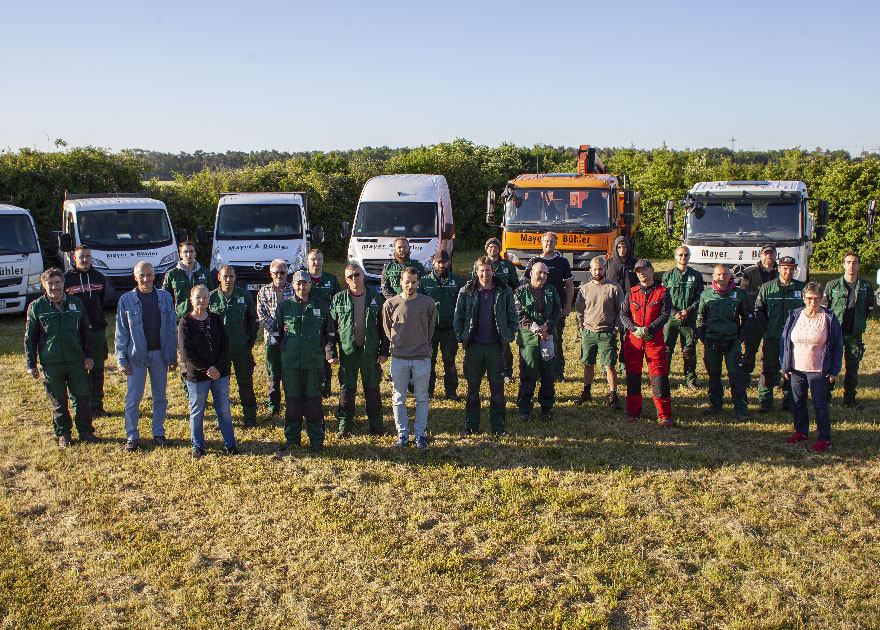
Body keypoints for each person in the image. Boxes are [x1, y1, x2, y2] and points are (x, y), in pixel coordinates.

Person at [25, 268, 97, 447]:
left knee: (82, 398)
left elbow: (86, 332)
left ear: (63, 284)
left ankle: (85, 431)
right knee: (58, 400)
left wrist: (88, 356)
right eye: (50, 283)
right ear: (44, 285)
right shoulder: (36, 307)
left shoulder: (76, 303)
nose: (54, 286)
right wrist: (31, 364)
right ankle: (64, 433)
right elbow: (30, 338)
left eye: (57, 282)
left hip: (76, 360)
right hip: (51, 362)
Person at [115, 261, 178, 452]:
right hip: (136, 357)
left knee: (160, 397)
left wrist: (172, 355)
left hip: (160, 354)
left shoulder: (166, 297)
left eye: (149, 275)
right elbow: (121, 332)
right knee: (134, 399)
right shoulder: (126, 300)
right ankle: (132, 436)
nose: (146, 279)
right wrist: (121, 359)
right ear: (135, 277)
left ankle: (158, 432)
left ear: (154, 276)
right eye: (142, 275)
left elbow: (171, 328)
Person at [453, 255, 518, 437]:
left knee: (497, 392)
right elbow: (458, 318)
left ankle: (498, 427)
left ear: (492, 271)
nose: (484, 274)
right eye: (481, 270)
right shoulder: (466, 292)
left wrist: (508, 335)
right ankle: (471, 425)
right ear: (476, 271)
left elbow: (513, 317)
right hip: (474, 347)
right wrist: (462, 337)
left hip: (495, 347)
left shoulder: (504, 291)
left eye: (487, 270)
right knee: (472, 392)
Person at [277, 270, 337, 452]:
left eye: (305, 283)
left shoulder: (320, 307)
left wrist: (320, 351)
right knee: (292, 402)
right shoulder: (285, 307)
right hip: (292, 363)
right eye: (298, 283)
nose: (302, 287)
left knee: (313, 403)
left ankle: (316, 441)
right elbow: (278, 332)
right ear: (293, 285)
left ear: (310, 284)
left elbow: (329, 332)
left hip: (313, 363)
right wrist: (289, 348)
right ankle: (292, 439)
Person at [780, 282, 843, 452]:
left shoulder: (829, 318)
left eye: (816, 299)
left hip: (818, 369)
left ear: (822, 298)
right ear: (803, 298)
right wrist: (786, 366)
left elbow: (837, 345)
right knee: (798, 401)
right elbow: (785, 341)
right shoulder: (794, 316)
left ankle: (824, 438)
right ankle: (801, 432)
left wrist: (833, 370)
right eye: (809, 298)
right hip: (796, 368)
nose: (812, 302)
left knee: (819, 403)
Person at [179, 285, 238, 459]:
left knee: (224, 410)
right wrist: (206, 369)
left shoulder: (216, 319)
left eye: (205, 298)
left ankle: (230, 444)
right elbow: (186, 352)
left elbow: (225, 344)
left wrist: (217, 367)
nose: (202, 301)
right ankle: (198, 445)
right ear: (191, 299)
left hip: (220, 373)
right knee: (197, 412)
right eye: (198, 298)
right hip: (197, 376)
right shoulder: (185, 322)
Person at [330, 263, 389, 437]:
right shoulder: (338, 299)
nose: (354, 279)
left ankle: (376, 426)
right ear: (345, 279)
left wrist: (384, 351)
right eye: (350, 276)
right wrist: (331, 352)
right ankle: (345, 426)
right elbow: (331, 328)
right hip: (348, 352)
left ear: (363, 275)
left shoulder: (376, 298)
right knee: (347, 390)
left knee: (372, 390)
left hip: (369, 352)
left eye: (357, 275)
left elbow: (385, 328)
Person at [382, 266, 436, 449]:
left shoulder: (428, 303)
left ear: (418, 282)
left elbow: (430, 328)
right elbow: (387, 329)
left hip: (421, 357)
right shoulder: (390, 304)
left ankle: (419, 435)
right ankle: (403, 434)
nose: (410, 285)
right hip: (399, 358)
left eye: (414, 282)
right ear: (400, 282)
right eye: (407, 282)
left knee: (422, 397)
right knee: (399, 397)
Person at [620, 259, 674, 426]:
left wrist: (649, 329)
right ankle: (633, 411)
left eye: (644, 270)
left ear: (651, 271)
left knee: (659, 377)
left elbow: (665, 315)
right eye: (638, 271)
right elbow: (624, 315)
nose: (641, 273)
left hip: (654, 340)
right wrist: (635, 329)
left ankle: (664, 414)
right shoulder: (632, 292)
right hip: (634, 340)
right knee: (633, 377)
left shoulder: (662, 292)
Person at [695, 264, 751, 421]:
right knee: (713, 374)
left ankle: (740, 408)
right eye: (719, 274)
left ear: (730, 276)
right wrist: (704, 338)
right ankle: (715, 404)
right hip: (712, 340)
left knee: (736, 376)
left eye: (725, 274)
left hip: (732, 341)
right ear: (713, 276)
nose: (722, 277)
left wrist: (740, 338)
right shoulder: (706, 295)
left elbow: (746, 317)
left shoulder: (739, 294)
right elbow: (700, 317)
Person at [753, 256, 806, 413]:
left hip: (794, 338)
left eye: (791, 269)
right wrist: (767, 328)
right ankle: (765, 401)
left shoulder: (802, 289)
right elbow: (758, 310)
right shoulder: (767, 288)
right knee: (768, 369)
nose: (788, 272)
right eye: (785, 268)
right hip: (772, 337)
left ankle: (790, 400)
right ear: (779, 269)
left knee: (793, 369)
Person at [822, 251, 874, 409]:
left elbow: (868, 308)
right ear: (843, 264)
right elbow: (825, 308)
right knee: (830, 366)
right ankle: (825, 397)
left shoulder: (865, 286)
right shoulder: (832, 285)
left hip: (854, 334)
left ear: (858, 265)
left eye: (855, 262)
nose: (851, 265)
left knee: (852, 369)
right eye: (848, 262)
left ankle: (849, 399)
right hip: (835, 333)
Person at [209, 266, 259, 427]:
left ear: (235, 277)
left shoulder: (244, 296)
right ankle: (221, 419)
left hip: (241, 349)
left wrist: (248, 343)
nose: (228, 280)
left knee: (245, 383)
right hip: (219, 353)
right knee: (220, 387)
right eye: (225, 277)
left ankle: (250, 417)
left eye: (231, 276)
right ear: (219, 277)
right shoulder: (211, 298)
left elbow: (253, 321)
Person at [63, 245, 109, 416]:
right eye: (81, 256)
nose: (85, 260)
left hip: (96, 330)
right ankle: (81, 406)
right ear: (74, 258)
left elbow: (101, 300)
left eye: (88, 256)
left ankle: (97, 404)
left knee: (97, 369)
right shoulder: (66, 279)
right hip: (75, 332)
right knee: (77, 370)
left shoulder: (99, 277)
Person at [163, 240, 211, 401]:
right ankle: (189, 390)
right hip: (182, 321)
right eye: (185, 252)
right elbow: (166, 299)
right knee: (185, 355)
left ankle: (205, 387)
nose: (189, 255)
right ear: (180, 254)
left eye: (191, 251)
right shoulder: (172, 274)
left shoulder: (204, 272)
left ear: (196, 253)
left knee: (203, 353)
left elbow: (212, 295)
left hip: (203, 320)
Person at [523, 232, 574, 380]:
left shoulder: (562, 262)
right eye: (546, 241)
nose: (549, 244)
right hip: (536, 309)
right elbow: (525, 285)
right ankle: (537, 371)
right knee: (536, 339)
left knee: (556, 340)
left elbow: (569, 285)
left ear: (556, 243)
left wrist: (567, 307)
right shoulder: (534, 261)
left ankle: (558, 371)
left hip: (555, 310)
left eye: (552, 241)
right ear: (541, 242)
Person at [514, 261, 561, 421]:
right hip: (529, 340)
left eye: (546, 273)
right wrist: (536, 329)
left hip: (548, 337)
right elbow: (519, 316)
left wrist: (546, 327)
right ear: (532, 273)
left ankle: (546, 407)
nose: (543, 276)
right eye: (540, 272)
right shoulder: (520, 292)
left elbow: (556, 311)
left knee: (548, 374)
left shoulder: (551, 290)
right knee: (528, 374)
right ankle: (525, 408)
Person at [574, 256, 622, 409]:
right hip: (589, 332)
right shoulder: (585, 288)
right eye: (595, 269)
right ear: (590, 270)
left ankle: (613, 394)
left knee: (609, 366)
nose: (597, 271)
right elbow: (579, 310)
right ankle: (586, 392)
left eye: (600, 269)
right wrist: (581, 328)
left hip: (607, 333)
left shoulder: (614, 288)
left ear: (605, 269)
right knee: (588, 363)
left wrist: (616, 329)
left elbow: (621, 311)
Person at [469, 237, 520, 381]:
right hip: (483, 303)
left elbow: (515, 285)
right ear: (486, 249)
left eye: (496, 247)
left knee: (504, 343)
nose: (493, 249)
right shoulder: (478, 264)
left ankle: (507, 372)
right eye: (490, 247)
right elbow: (471, 283)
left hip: (502, 304)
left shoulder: (507, 265)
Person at [420, 251, 463, 400]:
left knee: (450, 362)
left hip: (449, 329)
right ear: (433, 262)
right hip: (430, 331)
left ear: (449, 262)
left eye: (444, 262)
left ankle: (451, 392)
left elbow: (462, 305)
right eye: (438, 262)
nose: (441, 265)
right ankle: (428, 391)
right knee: (428, 363)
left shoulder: (457, 281)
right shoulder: (424, 282)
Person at [662, 245, 704, 390]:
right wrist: (674, 312)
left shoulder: (696, 275)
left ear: (689, 256)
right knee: (666, 350)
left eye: (686, 255)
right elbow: (664, 298)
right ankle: (663, 378)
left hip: (689, 318)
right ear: (675, 256)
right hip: (671, 319)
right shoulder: (668, 275)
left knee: (689, 351)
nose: (683, 257)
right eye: (680, 255)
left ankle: (691, 380)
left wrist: (688, 311)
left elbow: (700, 297)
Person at [256, 259, 295, 416]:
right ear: (271, 274)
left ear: (287, 273)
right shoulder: (263, 291)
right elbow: (261, 314)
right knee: (273, 372)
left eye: (283, 272)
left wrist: (286, 329)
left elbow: (297, 309)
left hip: (290, 338)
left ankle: (291, 402)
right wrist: (275, 329)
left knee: (289, 371)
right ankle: (273, 404)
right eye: (276, 273)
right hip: (271, 338)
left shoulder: (294, 290)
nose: (279, 275)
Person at [739, 244, 778, 384]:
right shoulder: (750, 272)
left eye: (771, 253)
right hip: (754, 317)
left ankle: (771, 378)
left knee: (772, 351)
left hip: (774, 319)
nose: (769, 256)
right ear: (760, 255)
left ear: (775, 255)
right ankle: (744, 377)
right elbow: (743, 294)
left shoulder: (782, 272)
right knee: (750, 350)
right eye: (766, 253)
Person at [306, 248, 341, 398]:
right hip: (308, 324)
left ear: (323, 261)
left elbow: (338, 300)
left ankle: (326, 390)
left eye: (319, 259)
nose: (316, 262)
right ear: (307, 261)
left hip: (327, 324)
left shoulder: (331, 279)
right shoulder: (302, 279)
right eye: (313, 259)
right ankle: (310, 387)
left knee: (327, 356)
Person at [605, 235, 637, 367]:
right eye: (619, 247)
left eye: (624, 247)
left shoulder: (635, 263)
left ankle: (624, 364)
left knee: (627, 337)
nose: (622, 250)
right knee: (610, 336)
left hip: (629, 304)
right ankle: (608, 364)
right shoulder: (608, 263)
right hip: (611, 304)